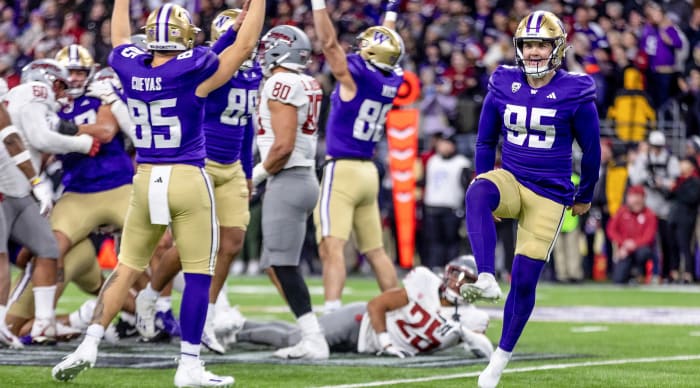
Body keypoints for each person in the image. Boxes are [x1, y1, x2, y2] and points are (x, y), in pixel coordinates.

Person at [51, 0, 264, 385]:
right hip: (186, 177)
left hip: (146, 176)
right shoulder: (193, 68)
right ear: (184, 39)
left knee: (126, 266)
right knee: (199, 274)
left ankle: (89, 344)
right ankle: (190, 366)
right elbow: (243, 48)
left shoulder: (130, 65)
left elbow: (118, 37)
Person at [459, 11, 601, 388]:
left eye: (541, 44)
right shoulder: (503, 81)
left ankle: (498, 362)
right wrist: (487, 178)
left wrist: (585, 195)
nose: (534, 51)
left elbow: (592, 150)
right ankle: (487, 276)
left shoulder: (576, 90)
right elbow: (486, 140)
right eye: (528, 44)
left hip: (550, 194)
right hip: (511, 179)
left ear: (557, 48)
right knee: (477, 191)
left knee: (524, 281)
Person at [134, 7, 263, 355]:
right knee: (193, 247)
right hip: (200, 161)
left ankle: (207, 314)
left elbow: (246, 123)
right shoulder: (213, 65)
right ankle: (151, 295)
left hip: (232, 164)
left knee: (232, 241)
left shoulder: (253, 73)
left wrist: (248, 171)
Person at [311, 0, 403, 314]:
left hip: (343, 169)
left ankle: (332, 313)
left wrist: (318, 4)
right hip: (368, 172)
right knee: (376, 250)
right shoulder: (391, 78)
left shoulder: (356, 77)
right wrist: (390, 14)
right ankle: (400, 309)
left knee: (331, 245)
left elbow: (327, 43)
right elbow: (386, 43)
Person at [2, 59, 101, 345]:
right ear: (47, 80)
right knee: (8, 258)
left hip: (20, 189)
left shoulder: (18, 98)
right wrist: (82, 144)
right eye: (60, 85)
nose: (61, 93)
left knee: (45, 248)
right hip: (9, 187)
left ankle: (44, 323)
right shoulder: (35, 91)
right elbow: (40, 137)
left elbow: (53, 127)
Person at [225, 256, 493, 359]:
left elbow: (485, 352)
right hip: (359, 322)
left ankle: (237, 323)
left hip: (364, 345)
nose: (456, 283)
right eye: (454, 274)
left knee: (295, 334)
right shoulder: (424, 283)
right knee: (293, 338)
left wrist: (462, 333)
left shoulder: (472, 318)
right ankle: (235, 329)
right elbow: (376, 305)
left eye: (466, 280)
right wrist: (387, 344)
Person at [251, 24, 327, 360]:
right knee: (274, 262)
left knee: (283, 265)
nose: (263, 53)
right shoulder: (306, 81)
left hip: (289, 176)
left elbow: (282, 146)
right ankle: (308, 330)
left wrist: (253, 177)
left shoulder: (280, 83)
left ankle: (314, 338)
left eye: (269, 47)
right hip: (301, 176)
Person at [0, 102, 53, 348]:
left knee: (47, 247)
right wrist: (35, 180)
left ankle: (40, 321)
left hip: (13, 192)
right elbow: (10, 138)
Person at [606, 185, 659, 284]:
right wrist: (624, 244)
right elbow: (611, 230)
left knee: (643, 253)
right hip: (624, 251)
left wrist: (633, 244)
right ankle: (629, 275)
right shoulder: (622, 212)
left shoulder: (649, 214)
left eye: (639, 199)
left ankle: (641, 273)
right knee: (618, 279)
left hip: (640, 249)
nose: (636, 203)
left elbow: (649, 236)